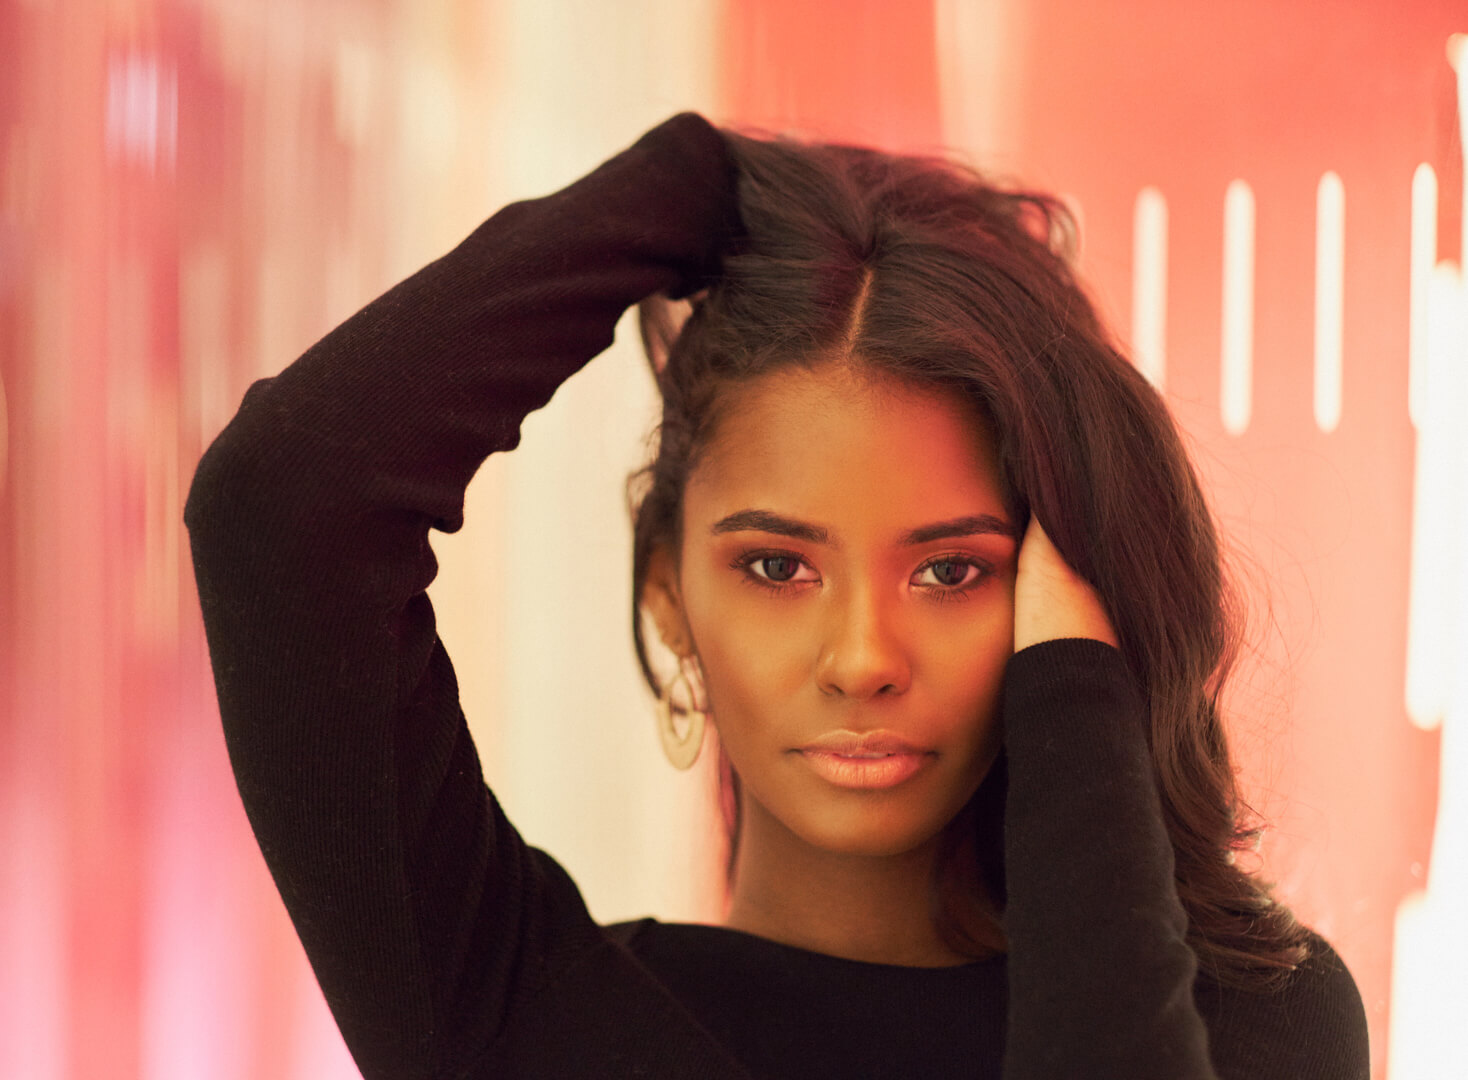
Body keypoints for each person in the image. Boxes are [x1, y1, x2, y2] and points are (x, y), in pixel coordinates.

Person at [184, 112, 1370, 1078]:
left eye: (952, 570)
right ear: (669, 597)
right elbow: (284, 507)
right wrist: (694, 180)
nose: (861, 657)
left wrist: (1074, 706)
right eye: (776, 567)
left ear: (1070, 596)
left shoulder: (1264, 1025)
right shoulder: (512, 1022)